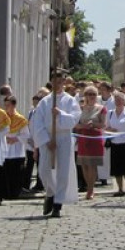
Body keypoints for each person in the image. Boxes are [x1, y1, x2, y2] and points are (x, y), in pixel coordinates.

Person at [30, 82, 81, 217]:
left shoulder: (70, 100)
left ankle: (58, 203)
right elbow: (37, 122)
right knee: (44, 170)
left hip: (63, 137)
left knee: (62, 171)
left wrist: (60, 113)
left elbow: (74, 118)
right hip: (47, 137)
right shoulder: (44, 102)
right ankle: (51, 192)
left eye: (60, 80)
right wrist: (46, 140)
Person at [75, 86, 106, 200]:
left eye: (93, 94)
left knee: (92, 165)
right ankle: (88, 186)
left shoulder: (101, 108)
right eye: (89, 94)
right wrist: (83, 126)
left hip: (95, 138)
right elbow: (75, 124)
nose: (91, 96)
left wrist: (93, 124)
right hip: (83, 138)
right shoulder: (80, 108)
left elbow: (103, 124)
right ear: (85, 96)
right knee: (84, 164)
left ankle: (91, 189)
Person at [2, 95, 30, 200]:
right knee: (5, 173)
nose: (6, 108)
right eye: (5, 105)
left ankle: (15, 193)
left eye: (8, 105)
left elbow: (26, 135)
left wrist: (15, 139)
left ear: (14, 105)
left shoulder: (21, 119)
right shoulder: (2, 118)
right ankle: (5, 193)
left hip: (17, 150)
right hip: (5, 150)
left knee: (16, 174)